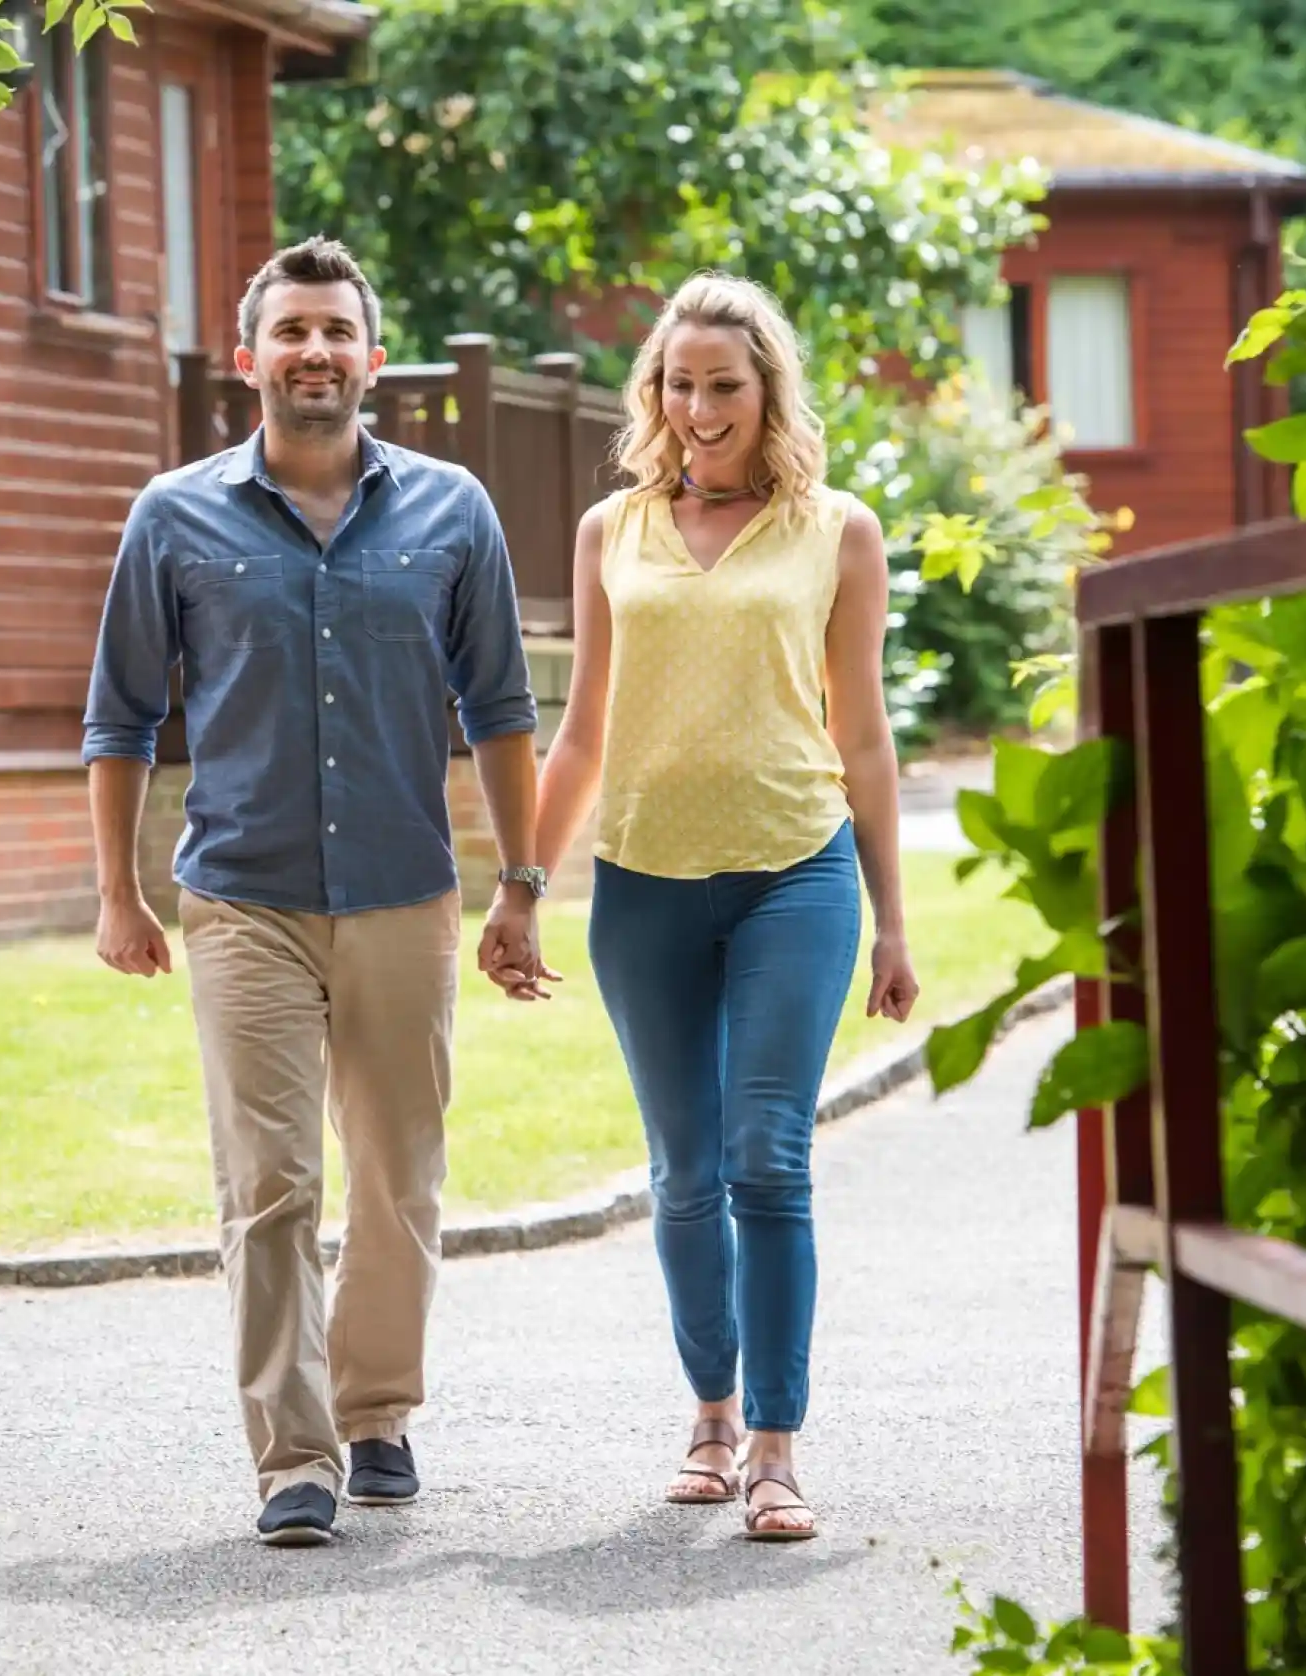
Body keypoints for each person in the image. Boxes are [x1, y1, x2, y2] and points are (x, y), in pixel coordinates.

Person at [82, 236, 553, 1547]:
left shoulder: (455, 513)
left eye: (336, 331)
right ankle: (293, 1456)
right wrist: (117, 894)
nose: (314, 353)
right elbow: (120, 718)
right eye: (290, 332)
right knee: (270, 1180)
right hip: (243, 897)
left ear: (374, 358)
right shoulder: (172, 516)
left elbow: (503, 709)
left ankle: (379, 1413)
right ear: (250, 361)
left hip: (407, 891)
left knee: (398, 1174)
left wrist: (518, 885)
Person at [531, 272, 919, 1542]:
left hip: (791, 873)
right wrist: (521, 884)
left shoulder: (836, 528)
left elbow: (861, 737)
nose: (698, 409)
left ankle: (773, 1444)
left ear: (768, 392)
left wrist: (893, 919)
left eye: (724, 386)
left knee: (768, 1155)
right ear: (653, 389)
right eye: (677, 383)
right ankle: (707, 1408)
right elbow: (580, 729)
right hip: (642, 880)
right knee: (684, 1172)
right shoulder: (609, 531)